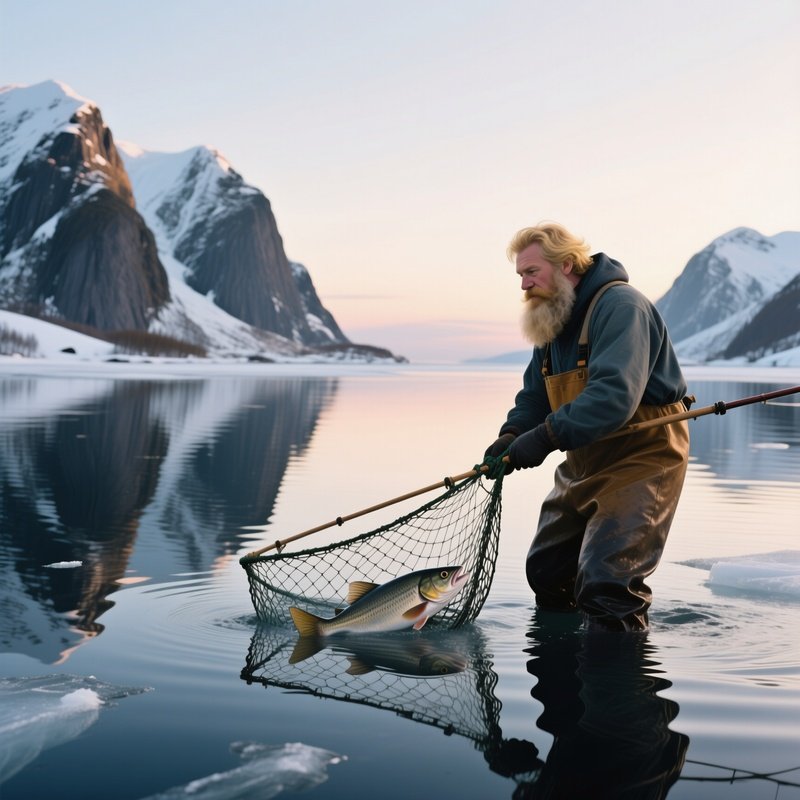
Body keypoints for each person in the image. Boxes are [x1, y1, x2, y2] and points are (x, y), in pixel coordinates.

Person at [482, 221, 690, 632]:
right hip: (583, 460)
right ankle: (567, 686)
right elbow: (535, 397)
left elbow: (613, 396)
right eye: (521, 275)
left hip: (643, 458)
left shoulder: (620, 307)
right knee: (548, 573)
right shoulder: (551, 319)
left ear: (567, 266)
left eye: (531, 272)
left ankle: (618, 685)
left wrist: (542, 439)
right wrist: (511, 435)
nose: (524, 284)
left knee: (607, 585)